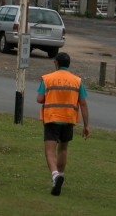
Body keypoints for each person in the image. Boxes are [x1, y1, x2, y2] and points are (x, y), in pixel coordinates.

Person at [36, 51, 90, 196]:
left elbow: (40, 99)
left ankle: (55, 176)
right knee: (63, 149)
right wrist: (86, 125)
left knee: (49, 151)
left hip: (52, 118)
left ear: (56, 63)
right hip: (68, 119)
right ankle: (60, 174)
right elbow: (83, 104)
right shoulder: (77, 81)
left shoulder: (47, 79)